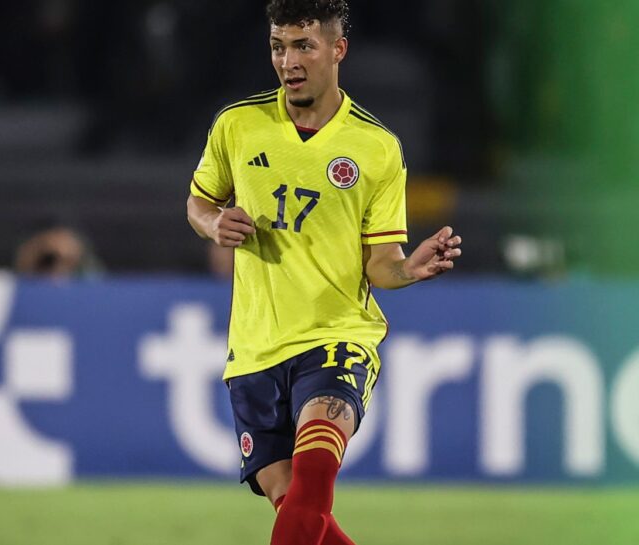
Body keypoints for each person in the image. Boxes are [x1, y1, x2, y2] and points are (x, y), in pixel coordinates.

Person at [184, 1, 462, 544]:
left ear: (338, 50)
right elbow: (198, 203)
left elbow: (380, 263)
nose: (288, 60)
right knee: (299, 507)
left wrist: (408, 270)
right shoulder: (238, 126)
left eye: (303, 46)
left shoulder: (375, 148)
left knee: (312, 484)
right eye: (278, 47)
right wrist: (214, 223)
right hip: (255, 348)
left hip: (336, 338)